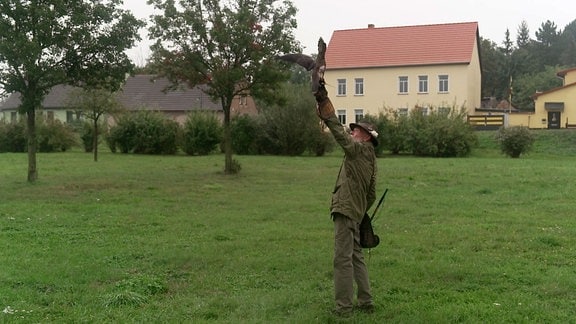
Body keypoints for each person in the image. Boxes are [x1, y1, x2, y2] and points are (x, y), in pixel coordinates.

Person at [314, 82, 378, 317]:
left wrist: (325, 105)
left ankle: (343, 308)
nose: (352, 132)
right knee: (356, 256)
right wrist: (361, 212)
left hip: (346, 210)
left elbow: (340, 135)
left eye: (357, 130)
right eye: (353, 129)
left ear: (367, 138)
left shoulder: (358, 150)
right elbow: (371, 194)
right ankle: (366, 301)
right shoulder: (371, 160)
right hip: (356, 212)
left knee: (342, 259)